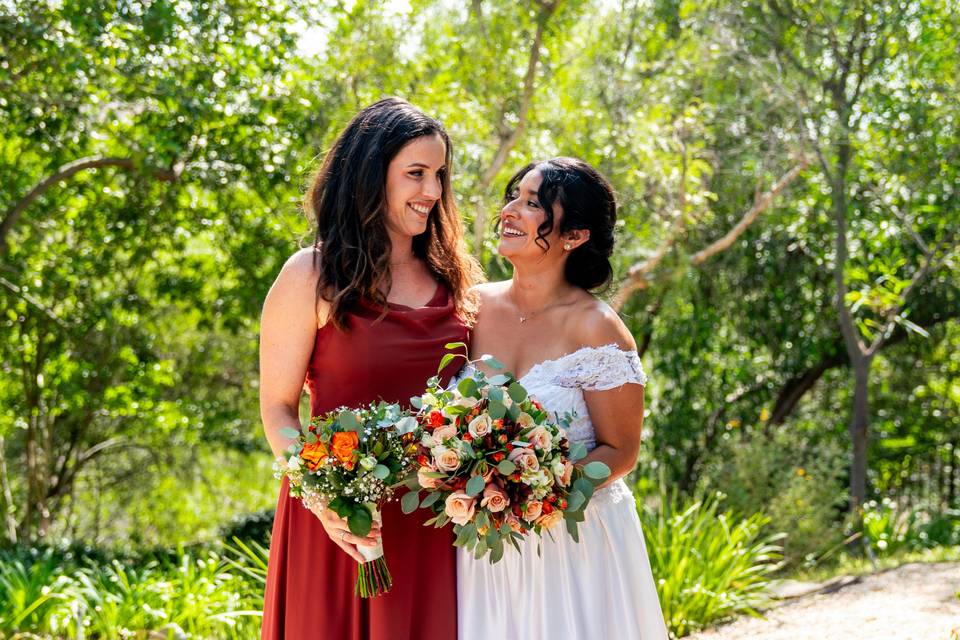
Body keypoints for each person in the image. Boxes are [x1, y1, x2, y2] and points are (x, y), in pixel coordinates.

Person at [259, 98, 480, 640]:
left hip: (434, 524)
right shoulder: (311, 275)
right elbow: (278, 407)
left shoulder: (457, 279)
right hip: (340, 521)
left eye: (439, 176)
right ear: (368, 175)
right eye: (415, 173)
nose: (432, 191)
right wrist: (324, 496)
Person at [457, 157, 668, 639]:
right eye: (513, 197)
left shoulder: (597, 327)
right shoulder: (470, 306)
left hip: (575, 544)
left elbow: (622, 450)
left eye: (532, 204)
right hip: (486, 546)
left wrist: (533, 496)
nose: (509, 210)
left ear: (574, 236)